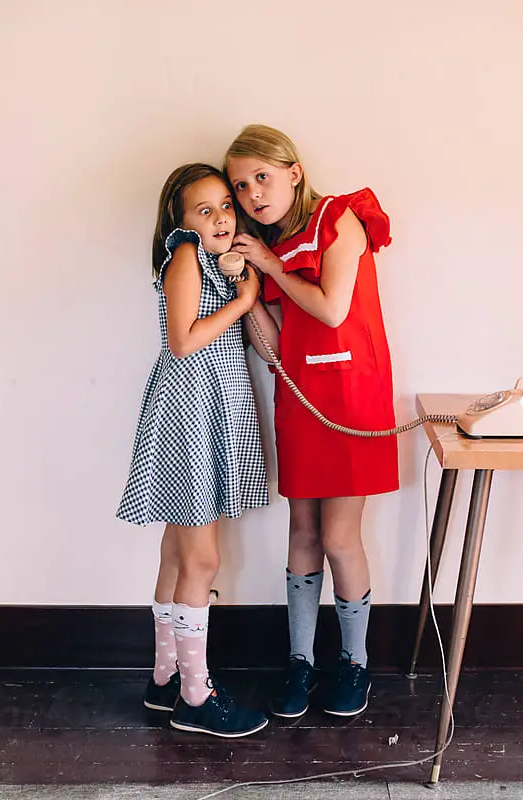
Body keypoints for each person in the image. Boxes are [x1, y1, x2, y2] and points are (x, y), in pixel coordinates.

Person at [225, 124, 399, 718]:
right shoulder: (266, 248)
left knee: (339, 536)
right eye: (241, 186)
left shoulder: (339, 219)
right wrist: (246, 294)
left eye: (262, 178)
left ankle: (354, 664)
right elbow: (276, 348)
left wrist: (271, 266)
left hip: (352, 397)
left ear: (293, 171)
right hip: (300, 395)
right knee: (301, 531)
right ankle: (300, 663)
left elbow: (330, 308)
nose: (252, 194)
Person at [116, 162, 269, 738]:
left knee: (179, 557)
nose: (222, 218)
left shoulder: (210, 260)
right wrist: (245, 297)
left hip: (207, 407)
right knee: (201, 561)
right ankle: (195, 696)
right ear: (179, 222)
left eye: (225, 206)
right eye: (205, 211)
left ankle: (163, 680)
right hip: (191, 414)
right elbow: (182, 341)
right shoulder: (185, 254)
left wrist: (237, 281)